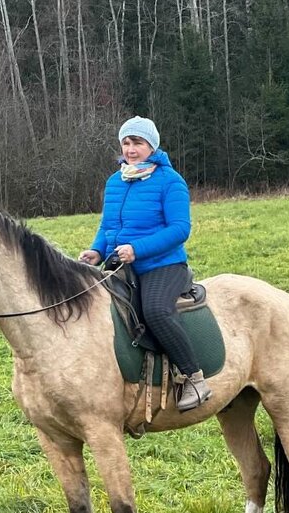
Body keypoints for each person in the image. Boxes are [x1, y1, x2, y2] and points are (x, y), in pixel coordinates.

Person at [80, 116, 211, 411]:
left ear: (151, 146)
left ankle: (193, 377)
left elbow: (180, 229)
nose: (130, 149)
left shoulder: (170, 181)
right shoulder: (115, 182)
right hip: (121, 265)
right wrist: (97, 250)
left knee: (155, 310)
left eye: (137, 142)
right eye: (126, 143)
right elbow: (108, 225)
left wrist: (137, 250)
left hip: (163, 265)